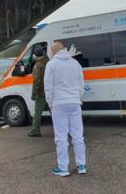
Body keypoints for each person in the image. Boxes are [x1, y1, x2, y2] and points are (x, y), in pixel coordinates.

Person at [44, 42, 86, 177]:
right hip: (74, 103)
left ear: (54, 52)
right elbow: (81, 85)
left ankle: (63, 168)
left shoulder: (51, 65)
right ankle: (81, 165)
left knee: (61, 137)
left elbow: (48, 88)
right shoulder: (75, 64)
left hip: (59, 104)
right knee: (78, 135)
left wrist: (51, 103)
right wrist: (77, 98)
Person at [28, 45, 49, 137]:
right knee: (55, 112)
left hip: (41, 92)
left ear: (35, 55)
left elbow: (37, 81)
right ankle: (64, 129)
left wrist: (34, 94)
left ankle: (35, 130)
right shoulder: (48, 62)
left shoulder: (38, 65)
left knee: (37, 113)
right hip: (50, 91)